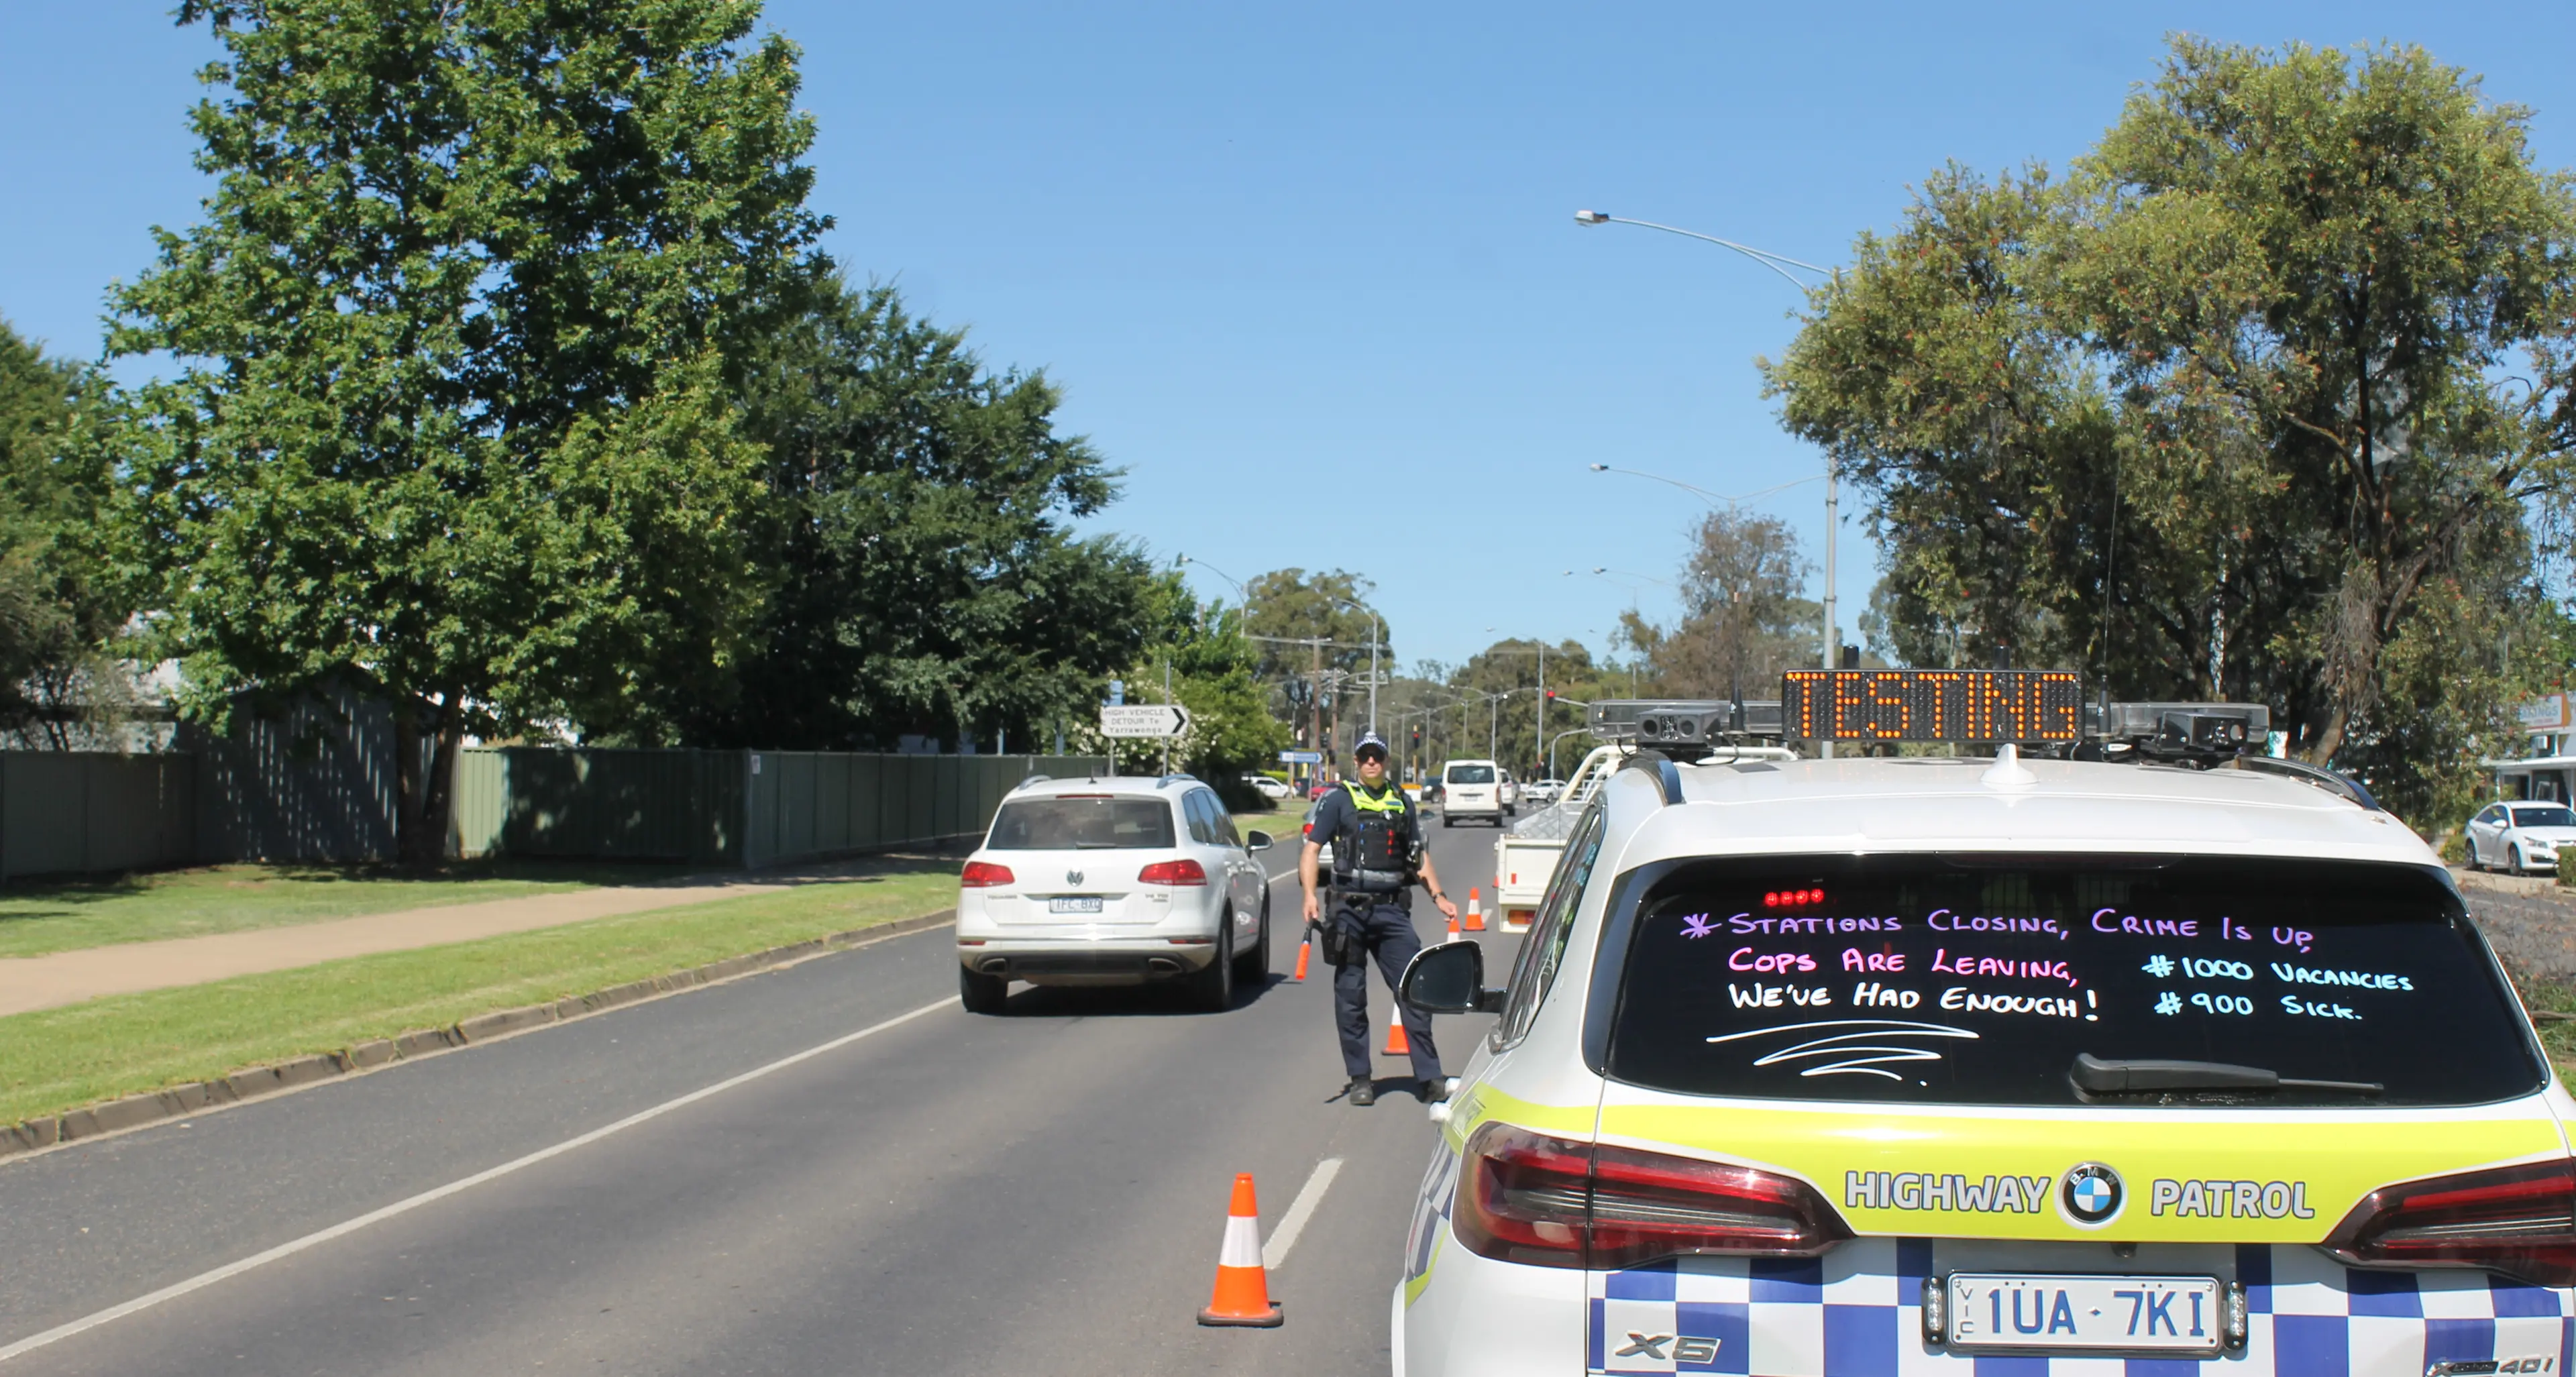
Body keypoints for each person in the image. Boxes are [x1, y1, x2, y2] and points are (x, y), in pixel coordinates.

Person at [1299, 730, 1460, 1105]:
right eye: (1365, 757)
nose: (1371, 762)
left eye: (1377, 756)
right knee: (1351, 997)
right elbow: (1311, 850)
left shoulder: (1402, 802)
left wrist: (1439, 897)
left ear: (1386, 761)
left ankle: (1430, 1078)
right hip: (1348, 911)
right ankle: (1360, 1079)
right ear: (1355, 762)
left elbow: (1418, 857)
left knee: (1414, 990)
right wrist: (1309, 894)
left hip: (1391, 910)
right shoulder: (1338, 800)